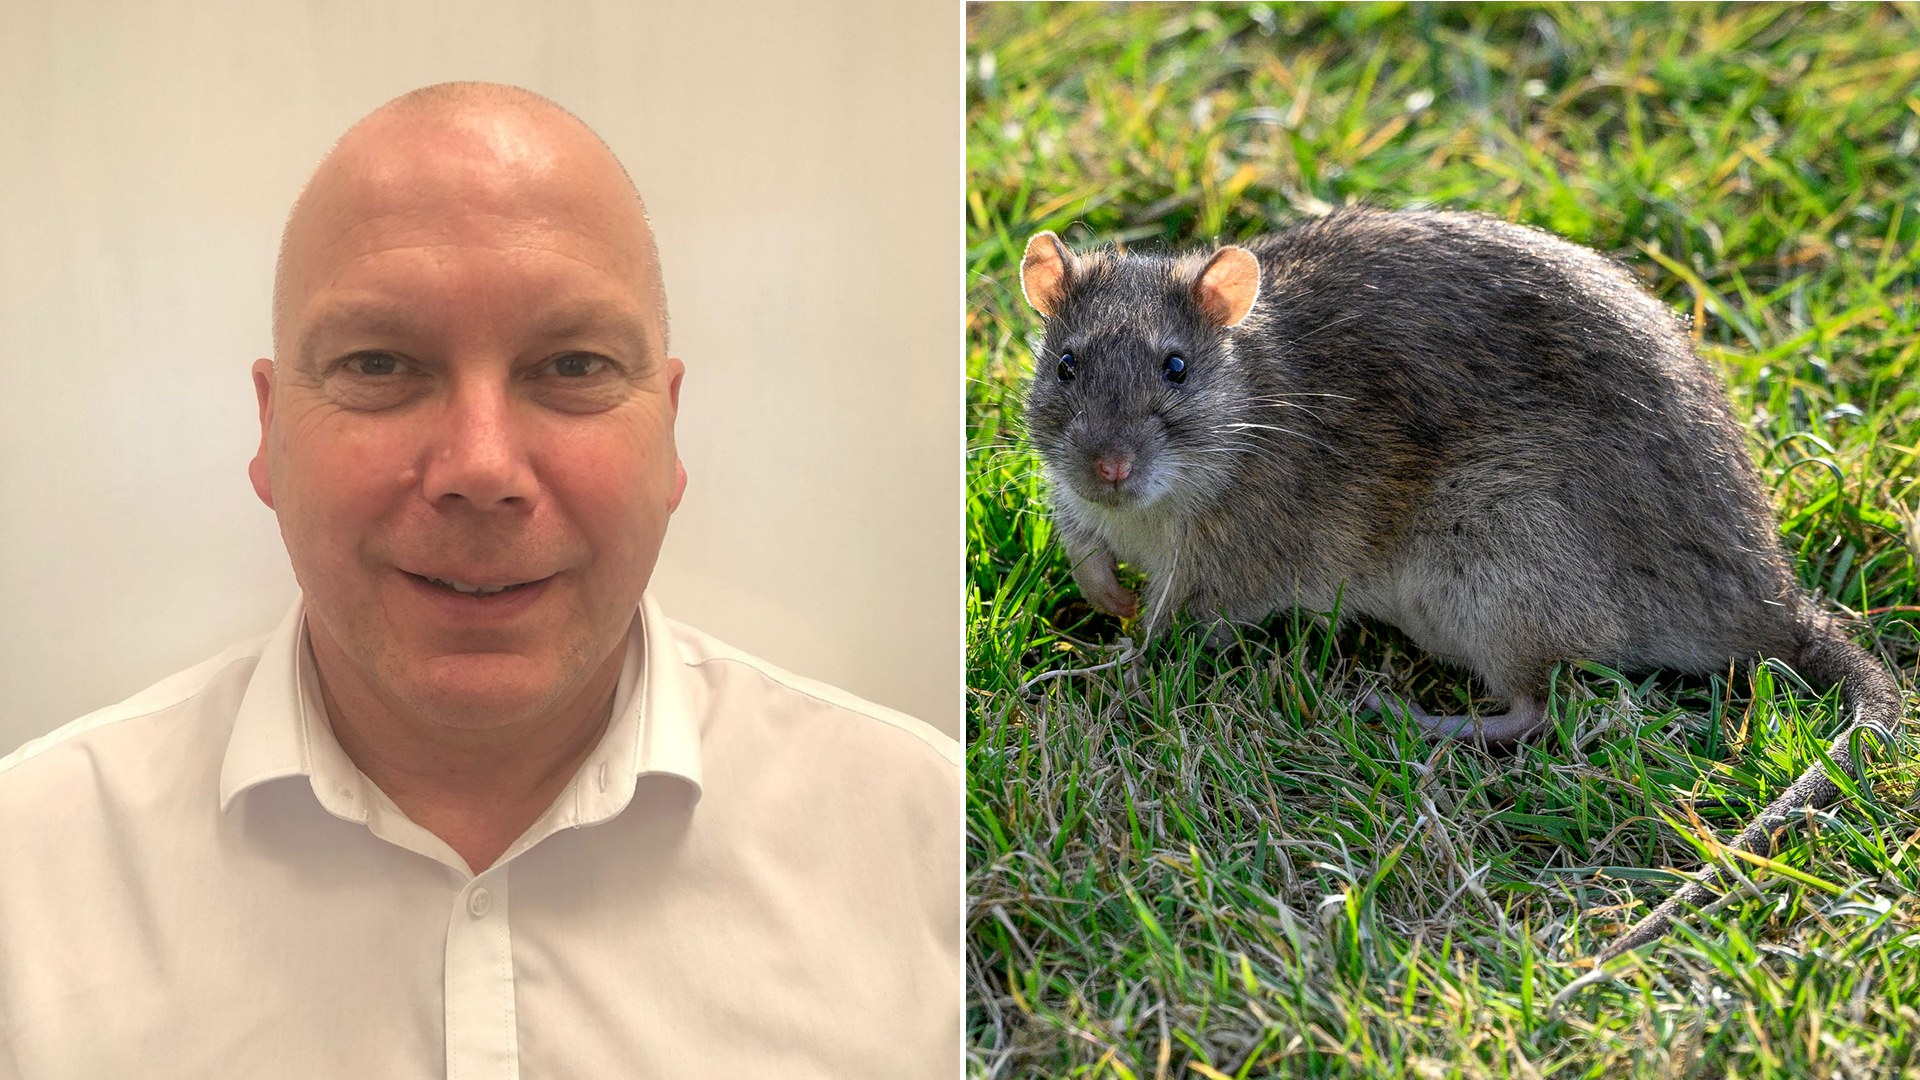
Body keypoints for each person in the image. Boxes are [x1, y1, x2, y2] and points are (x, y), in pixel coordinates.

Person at [0, 83, 959, 1079]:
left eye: (573, 365)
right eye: (380, 363)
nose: (481, 467)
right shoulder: (28, 883)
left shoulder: (923, 837)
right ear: (269, 429)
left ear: (669, 429)